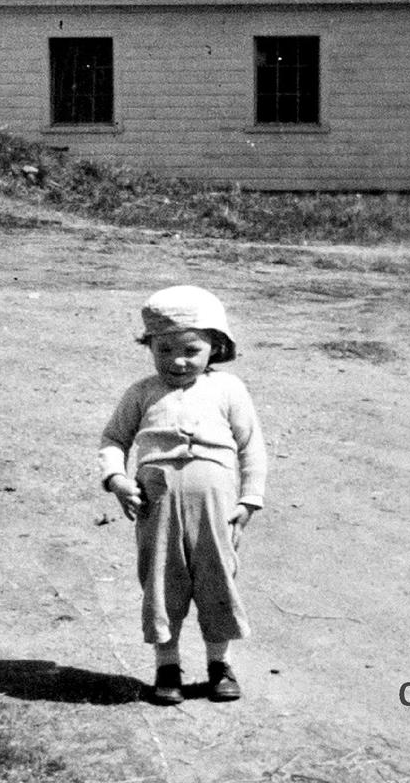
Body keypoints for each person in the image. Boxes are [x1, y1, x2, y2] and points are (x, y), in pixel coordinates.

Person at [98, 285, 267, 706]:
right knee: (162, 583)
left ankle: (219, 665)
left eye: (191, 349)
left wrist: (248, 501)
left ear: (217, 347)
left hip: (217, 507)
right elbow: (113, 439)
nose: (177, 360)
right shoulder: (142, 393)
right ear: (149, 346)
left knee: (217, 580)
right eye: (164, 349)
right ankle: (167, 667)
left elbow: (251, 448)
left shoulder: (229, 390)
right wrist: (117, 480)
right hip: (157, 506)